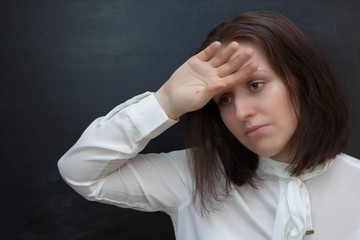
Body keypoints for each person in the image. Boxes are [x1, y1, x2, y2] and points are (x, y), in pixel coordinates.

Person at [58, 10, 360, 240]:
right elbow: (81, 172)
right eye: (224, 99)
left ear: (302, 82)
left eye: (256, 85)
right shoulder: (193, 175)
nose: (241, 111)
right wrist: (165, 102)